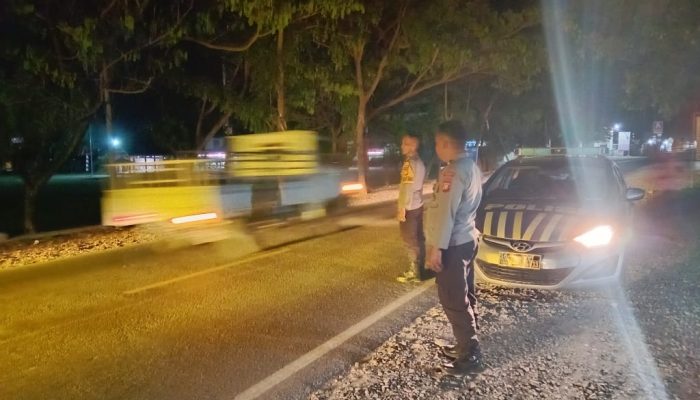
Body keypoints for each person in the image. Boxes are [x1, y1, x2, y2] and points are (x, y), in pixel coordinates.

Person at [425, 119, 484, 375]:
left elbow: (445, 213)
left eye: (437, 143)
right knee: (464, 294)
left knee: (453, 298)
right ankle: (465, 343)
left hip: (453, 244)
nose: (436, 148)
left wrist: (436, 248)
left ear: (446, 143)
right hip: (467, 239)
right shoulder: (471, 166)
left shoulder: (452, 171)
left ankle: (470, 354)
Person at [396, 134, 427, 283]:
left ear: (413, 147)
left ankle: (414, 272)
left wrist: (403, 207)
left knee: (410, 240)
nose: (402, 146)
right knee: (418, 238)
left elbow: (408, 187)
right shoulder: (419, 162)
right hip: (417, 205)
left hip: (410, 207)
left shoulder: (410, 163)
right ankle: (421, 269)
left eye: (405, 144)